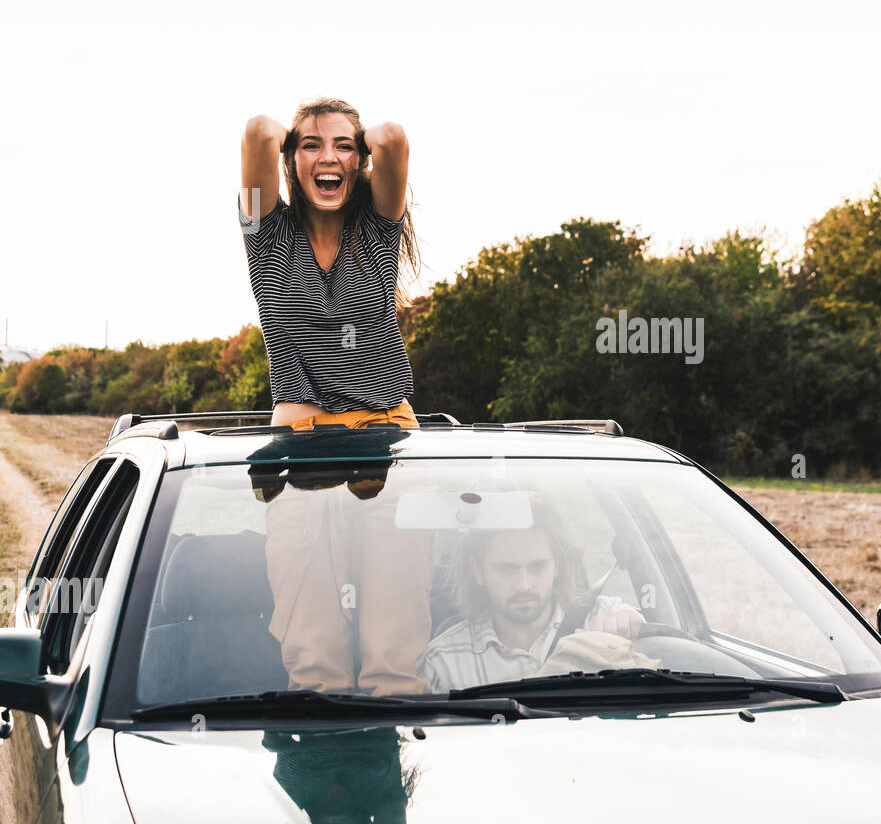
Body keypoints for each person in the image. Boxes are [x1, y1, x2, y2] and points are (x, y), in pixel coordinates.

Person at [239, 98, 433, 694]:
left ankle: (389, 751)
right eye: (312, 147)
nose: (329, 158)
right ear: (291, 158)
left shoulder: (379, 230)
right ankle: (321, 763)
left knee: (394, 645)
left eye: (345, 147)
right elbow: (256, 131)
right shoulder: (263, 231)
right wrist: (306, 138)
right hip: (300, 446)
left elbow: (395, 137)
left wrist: (349, 146)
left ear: (361, 160)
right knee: (312, 643)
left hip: (390, 438)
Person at [418, 504, 647, 693]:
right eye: (507, 569)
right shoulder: (442, 662)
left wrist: (630, 622)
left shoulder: (597, 622)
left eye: (537, 566)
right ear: (478, 572)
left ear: (557, 566)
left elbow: (650, 644)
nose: (524, 585)